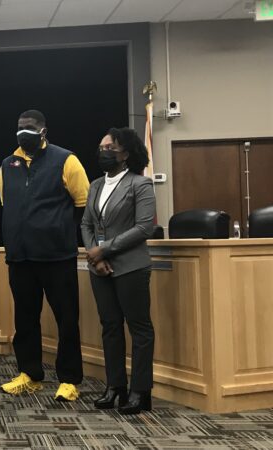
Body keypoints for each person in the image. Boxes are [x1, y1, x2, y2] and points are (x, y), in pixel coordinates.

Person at [0, 109, 90, 401]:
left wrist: (57, 231)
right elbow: (7, 205)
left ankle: (69, 379)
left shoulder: (66, 159)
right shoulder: (7, 164)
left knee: (66, 318)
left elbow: (82, 204)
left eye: (30, 127)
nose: (24, 131)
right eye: (20, 127)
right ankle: (30, 374)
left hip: (56, 256)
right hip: (20, 257)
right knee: (25, 319)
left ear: (43, 131)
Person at [82, 127, 156, 415]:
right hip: (100, 269)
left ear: (125, 152)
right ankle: (115, 387)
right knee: (110, 327)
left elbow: (144, 228)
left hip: (131, 266)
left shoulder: (140, 184)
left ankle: (140, 391)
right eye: (101, 147)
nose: (103, 152)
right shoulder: (95, 185)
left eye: (109, 147)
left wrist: (105, 249)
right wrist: (95, 256)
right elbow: (86, 224)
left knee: (139, 329)